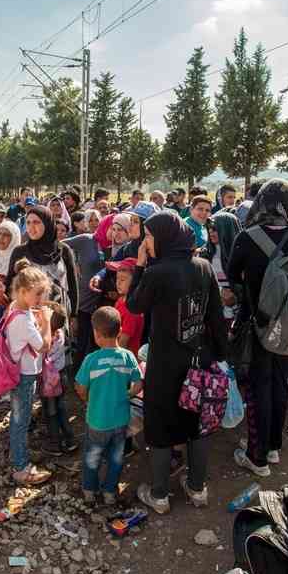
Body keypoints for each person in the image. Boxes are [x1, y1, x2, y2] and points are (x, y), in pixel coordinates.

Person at [126, 211, 228, 514]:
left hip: (164, 364)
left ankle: (159, 494)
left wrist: (140, 267)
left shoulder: (158, 273)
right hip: (198, 361)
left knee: (160, 423)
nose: (146, 242)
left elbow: (134, 305)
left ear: (164, 237)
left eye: (149, 236)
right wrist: (220, 356)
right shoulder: (203, 267)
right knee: (196, 422)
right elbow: (215, 317)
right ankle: (197, 488)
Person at [227, 180, 288, 475]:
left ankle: (257, 457)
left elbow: (234, 273)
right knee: (280, 383)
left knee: (259, 385)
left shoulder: (248, 237)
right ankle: (273, 447)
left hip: (257, 321)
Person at [75, 306, 144, 505]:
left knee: (92, 457)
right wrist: (128, 393)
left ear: (96, 334)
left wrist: (88, 399)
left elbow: (80, 387)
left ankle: (89, 490)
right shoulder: (128, 356)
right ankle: (110, 492)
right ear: (120, 331)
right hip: (121, 420)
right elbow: (138, 383)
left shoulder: (91, 360)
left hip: (97, 420)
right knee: (116, 459)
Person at [4, 260, 55, 485]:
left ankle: (17, 453)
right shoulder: (24, 320)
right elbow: (43, 345)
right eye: (37, 295)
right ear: (23, 292)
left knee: (18, 418)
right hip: (24, 375)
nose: (40, 300)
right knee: (20, 420)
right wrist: (47, 322)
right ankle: (21, 467)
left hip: (18, 371)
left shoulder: (15, 307)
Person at [2, 205, 79, 323]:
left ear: (47, 223)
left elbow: (72, 285)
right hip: (27, 318)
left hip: (58, 318)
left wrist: (73, 315)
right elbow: (10, 285)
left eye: (36, 222)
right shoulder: (20, 252)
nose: (31, 227)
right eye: (28, 223)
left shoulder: (63, 250)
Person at [63, 224, 106, 370]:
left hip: (100, 301)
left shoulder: (113, 245)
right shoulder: (86, 240)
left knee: (96, 341)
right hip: (83, 298)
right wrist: (73, 262)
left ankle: (92, 373)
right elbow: (61, 246)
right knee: (81, 340)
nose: (112, 231)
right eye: (111, 227)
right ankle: (76, 374)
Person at [41, 302, 78, 456]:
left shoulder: (47, 340)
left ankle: (54, 443)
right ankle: (70, 440)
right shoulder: (61, 334)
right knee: (61, 408)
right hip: (61, 376)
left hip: (49, 380)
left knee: (51, 412)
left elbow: (41, 352)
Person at [200, 211, 240, 327]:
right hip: (214, 310)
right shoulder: (205, 253)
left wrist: (235, 295)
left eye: (215, 229)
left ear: (227, 229)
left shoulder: (241, 253)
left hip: (238, 312)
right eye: (209, 229)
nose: (211, 232)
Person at [106, 258, 145, 356]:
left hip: (124, 360)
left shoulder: (132, 310)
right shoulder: (120, 301)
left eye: (122, 279)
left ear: (135, 282)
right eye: (117, 278)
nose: (118, 283)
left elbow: (123, 342)